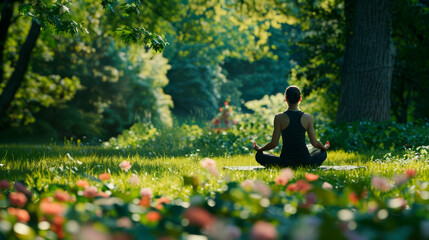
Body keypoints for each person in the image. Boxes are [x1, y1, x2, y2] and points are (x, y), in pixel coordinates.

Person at [253, 85, 330, 168]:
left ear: (286, 99)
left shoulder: (279, 117)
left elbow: (274, 144)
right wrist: (324, 147)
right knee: (322, 153)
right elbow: (314, 143)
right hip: (305, 162)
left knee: (259, 155)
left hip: (285, 163)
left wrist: (260, 149)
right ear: (300, 99)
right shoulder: (308, 118)